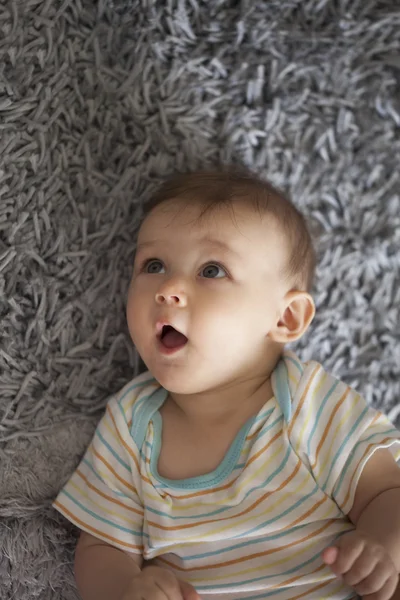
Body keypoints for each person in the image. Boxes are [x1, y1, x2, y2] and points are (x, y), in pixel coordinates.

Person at [53, 167, 400, 600]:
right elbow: (102, 546)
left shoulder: (305, 401)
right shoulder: (131, 424)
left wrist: (383, 547)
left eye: (212, 270)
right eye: (154, 265)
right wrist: (127, 587)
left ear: (285, 318)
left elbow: (387, 490)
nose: (168, 288)